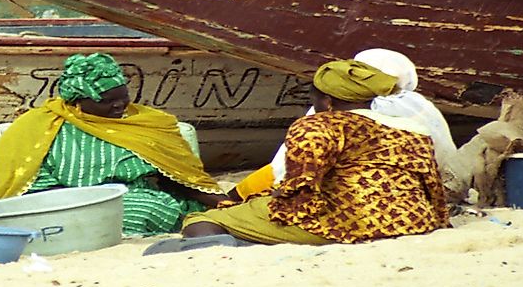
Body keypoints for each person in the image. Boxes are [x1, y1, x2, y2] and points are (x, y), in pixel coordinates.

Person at [182, 59, 449, 244]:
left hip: (352, 223)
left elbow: (301, 194)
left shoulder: (318, 125)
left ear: (327, 101)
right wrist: (437, 219)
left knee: (201, 220)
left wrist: (272, 200)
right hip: (415, 220)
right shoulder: (413, 129)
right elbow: (433, 187)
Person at [0, 53, 225, 235]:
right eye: (107, 101)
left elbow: (179, 176)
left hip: (136, 198)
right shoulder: (38, 128)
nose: (119, 106)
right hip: (64, 202)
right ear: (79, 100)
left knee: (147, 207)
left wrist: (224, 202)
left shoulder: (148, 124)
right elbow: (26, 185)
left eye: (123, 97)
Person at [231, 47, 458, 200]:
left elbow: (285, 171)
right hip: (431, 195)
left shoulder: (337, 109)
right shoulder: (420, 104)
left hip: (357, 203)